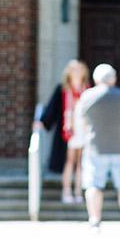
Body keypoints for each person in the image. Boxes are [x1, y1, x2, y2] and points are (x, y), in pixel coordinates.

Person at [73, 63, 120, 232]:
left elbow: (81, 118)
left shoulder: (88, 97)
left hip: (96, 147)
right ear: (114, 78)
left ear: (96, 79)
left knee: (94, 185)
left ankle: (95, 221)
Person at [35, 59, 93, 203]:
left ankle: (79, 191)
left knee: (81, 161)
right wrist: (42, 122)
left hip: (84, 129)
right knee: (69, 160)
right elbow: (52, 109)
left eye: (79, 69)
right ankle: (66, 191)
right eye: (73, 70)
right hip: (68, 130)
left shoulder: (88, 89)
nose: (77, 72)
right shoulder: (63, 89)